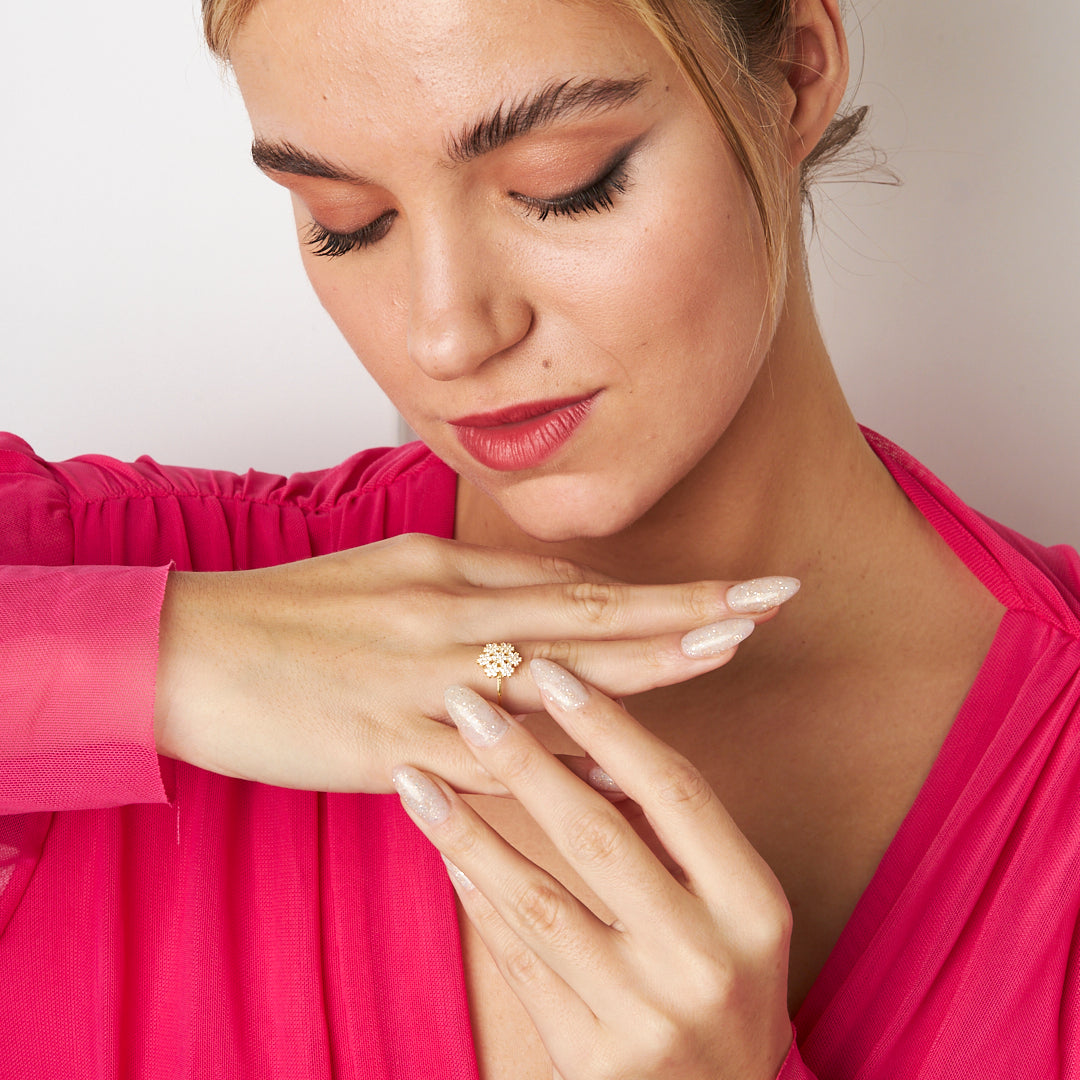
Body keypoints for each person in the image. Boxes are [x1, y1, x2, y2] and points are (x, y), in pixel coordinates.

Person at [1, 0, 1078, 1077]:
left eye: (563, 184)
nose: (449, 334)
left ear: (795, 73)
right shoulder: (115, 567)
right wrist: (171, 659)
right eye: (347, 217)